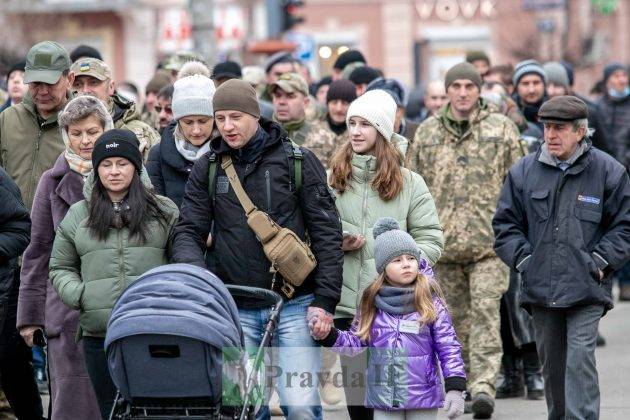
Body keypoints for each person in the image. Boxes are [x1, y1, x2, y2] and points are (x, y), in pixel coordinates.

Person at [172, 79, 343, 420]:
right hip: (235, 308)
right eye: (220, 119)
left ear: (254, 114)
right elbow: (188, 231)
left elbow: (327, 233)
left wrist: (325, 302)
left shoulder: (297, 161)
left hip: (296, 303)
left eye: (235, 117)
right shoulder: (207, 168)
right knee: (243, 407)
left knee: (300, 406)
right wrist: (201, 282)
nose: (227, 126)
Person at [492, 95, 630, 420]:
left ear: (580, 132)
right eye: (547, 127)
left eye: (559, 128)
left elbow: (624, 226)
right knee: (553, 369)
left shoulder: (608, 171)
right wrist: (526, 262)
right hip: (541, 289)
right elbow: (505, 225)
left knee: (579, 360)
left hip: (587, 288)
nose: (551, 135)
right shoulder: (524, 172)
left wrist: (600, 262)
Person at [410, 62, 523, 419]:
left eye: (468, 86)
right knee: (453, 320)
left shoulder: (501, 129)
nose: (462, 93)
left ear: (478, 90)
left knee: (487, 312)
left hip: (490, 244)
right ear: (448, 91)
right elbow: (414, 186)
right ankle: (464, 385)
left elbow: (519, 182)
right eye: (455, 86)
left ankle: (486, 385)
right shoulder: (427, 133)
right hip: (443, 247)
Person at [328, 89, 444, 420]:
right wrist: (337, 241)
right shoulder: (333, 180)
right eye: (352, 123)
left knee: (396, 405)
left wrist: (400, 261)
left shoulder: (411, 183)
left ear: (382, 131)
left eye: (365, 124)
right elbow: (314, 234)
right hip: (350, 308)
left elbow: (431, 239)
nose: (355, 131)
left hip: (399, 310)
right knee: (359, 407)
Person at [49, 129, 179, 419]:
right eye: (106, 165)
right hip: (98, 334)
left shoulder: (163, 211)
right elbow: (60, 266)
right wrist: (81, 295)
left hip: (151, 329)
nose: (114, 172)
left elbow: (181, 263)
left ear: (136, 166)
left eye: (122, 163)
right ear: (96, 171)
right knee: (109, 411)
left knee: (151, 410)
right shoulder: (79, 215)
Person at [312, 218, 464, 420]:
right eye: (397, 260)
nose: (406, 265)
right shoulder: (371, 302)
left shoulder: (430, 301)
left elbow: (448, 346)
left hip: (423, 396)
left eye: (410, 258)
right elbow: (356, 344)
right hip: (384, 397)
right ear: (383, 267)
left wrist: (455, 385)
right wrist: (328, 336)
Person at [17, 96, 111, 420]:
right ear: (65, 135)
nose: (85, 140)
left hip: (115, 305)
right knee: (70, 406)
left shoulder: (121, 172)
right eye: (76, 133)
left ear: (105, 130)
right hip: (67, 310)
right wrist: (30, 316)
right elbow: (38, 249)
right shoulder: (51, 181)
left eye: (92, 131)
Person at [0, 41, 74, 211]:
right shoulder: (8, 119)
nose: (42, 91)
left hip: (59, 232)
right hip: (12, 230)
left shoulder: (82, 124)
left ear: (69, 79)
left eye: (50, 83)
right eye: (35, 83)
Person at [70, 57, 160, 161]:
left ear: (111, 87)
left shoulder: (141, 133)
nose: (85, 90)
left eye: (93, 82)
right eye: (77, 85)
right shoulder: (63, 130)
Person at [147, 73, 216, 208]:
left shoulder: (229, 151)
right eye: (188, 122)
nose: (196, 130)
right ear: (177, 121)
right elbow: (155, 209)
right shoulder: (158, 154)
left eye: (203, 121)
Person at [270, 72, 336, 167]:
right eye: (277, 95)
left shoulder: (326, 138)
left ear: (305, 102)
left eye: (290, 96)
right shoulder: (263, 137)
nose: (281, 102)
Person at [365, 78, 419, 150]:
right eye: (383, 110)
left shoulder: (418, 132)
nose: (390, 115)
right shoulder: (362, 136)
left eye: (395, 109)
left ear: (402, 111)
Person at [316, 79, 356, 155]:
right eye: (334, 102)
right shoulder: (311, 130)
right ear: (327, 104)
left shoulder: (358, 134)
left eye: (344, 103)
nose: (339, 109)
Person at [512, 59, 547, 130]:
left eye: (536, 83)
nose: (531, 90)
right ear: (516, 87)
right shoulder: (507, 113)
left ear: (544, 85)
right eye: (525, 84)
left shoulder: (555, 111)